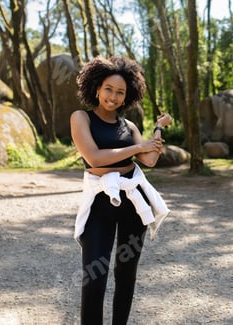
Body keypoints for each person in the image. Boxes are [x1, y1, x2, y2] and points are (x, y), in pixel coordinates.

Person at [70, 55, 172, 325]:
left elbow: (149, 160)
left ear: (127, 96)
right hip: (100, 203)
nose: (113, 97)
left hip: (132, 203)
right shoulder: (81, 118)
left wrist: (158, 129)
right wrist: (139, 147)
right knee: (95, 276)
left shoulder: (130, 127)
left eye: (120, 92)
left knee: (126, 274)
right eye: (108, 89)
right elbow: (94, 158)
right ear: (96, 88)